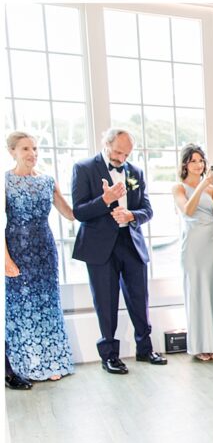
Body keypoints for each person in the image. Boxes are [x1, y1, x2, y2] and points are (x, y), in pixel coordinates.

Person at [72, 128, 167, 374]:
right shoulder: (84, 168)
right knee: (106, 301)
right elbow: (79, 212)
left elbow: (148, 209)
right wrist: (105, 200)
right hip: (100, 248)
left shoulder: (135, 172)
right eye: (117, 152)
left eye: (126, 154)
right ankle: (109, 356)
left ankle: (145, 349)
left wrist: (131, 215)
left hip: (131, 243)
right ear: (106, 143)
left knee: (140, 299)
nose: (121, 159)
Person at [5, 131, 75, 382]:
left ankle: (51, 360)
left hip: (44, 248)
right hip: (16, 249)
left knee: (47, 305)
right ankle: (26, 365)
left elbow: (69, 213)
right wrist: (5, 259)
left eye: (34, 148)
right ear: (12, 151)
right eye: (25, 149)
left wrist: (103, 201)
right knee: (21, 308)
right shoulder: (5, 181)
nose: (32, 154)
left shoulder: (47, 181)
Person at [172, 144, 213, 360]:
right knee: (197, 291)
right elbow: (187, 210)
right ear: (185, 164)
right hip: (193, 244)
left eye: (201, 161)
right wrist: (202, 184)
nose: (199, 165)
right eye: (194, 160)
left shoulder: (212, 188)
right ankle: (199, 345)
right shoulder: (178, 188)